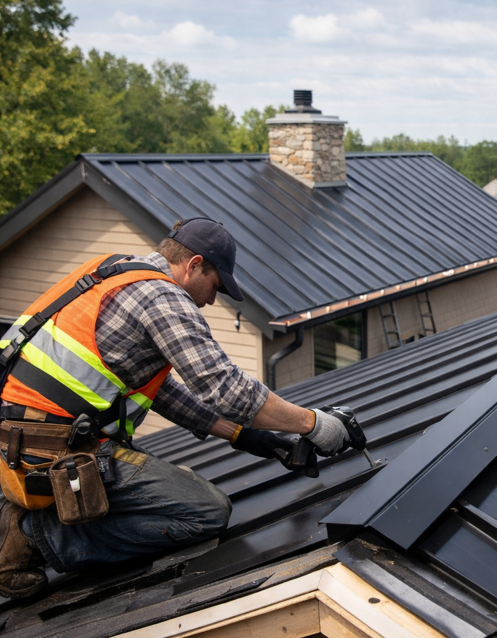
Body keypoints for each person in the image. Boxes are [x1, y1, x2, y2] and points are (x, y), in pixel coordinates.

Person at [0, 218, 359, 600]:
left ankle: (29, 527)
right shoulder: (162, 296)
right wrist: (313, 424)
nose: (211, 300)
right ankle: (28, 539)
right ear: (194, 264)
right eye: (215, 286)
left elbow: (163, 393)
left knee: (174, 486)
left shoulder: (113, 272)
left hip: (26, 437)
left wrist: (252, 438)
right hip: (53, 448)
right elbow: (229, 391)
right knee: (206, 513)